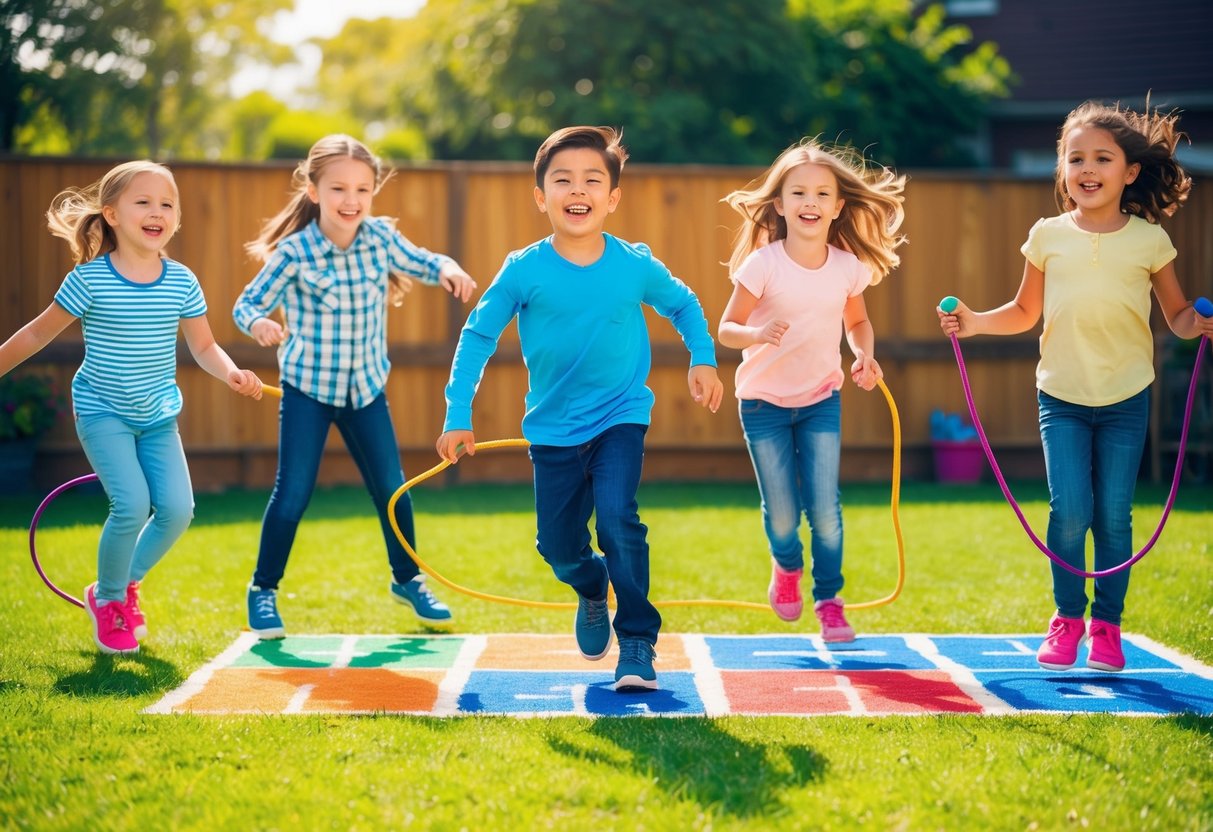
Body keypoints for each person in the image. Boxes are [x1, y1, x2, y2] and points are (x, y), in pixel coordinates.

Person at [436, 126, 724, 692]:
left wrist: (704, 358)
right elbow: (476, 336)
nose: (578, 189)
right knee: (559, 546)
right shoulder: (523, 269)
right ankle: (592, 587)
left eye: (593, 180)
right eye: (562, 179)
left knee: (619, 519)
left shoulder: (634, 264)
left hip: (621, 415)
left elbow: (684, 304)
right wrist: (457, 413)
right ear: (540, 196)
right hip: (553, 430)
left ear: (612, 198)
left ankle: (637, 640)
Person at [938, 101, 1213, 672]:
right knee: (1068, 512)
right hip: (1060, 396)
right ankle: (1067, 618)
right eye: (1075, 157)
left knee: (1113, 514)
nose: (1087, 168)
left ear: (1129, 172)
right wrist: (975, 319)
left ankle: (1107, 627)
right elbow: (1022, 311)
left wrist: (1199, 324)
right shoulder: (1047, 236)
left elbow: (1179, 314)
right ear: (1063, 170)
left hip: (1126, 398)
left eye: (1102, 158)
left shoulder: (1149, 241)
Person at [0, 161, 264, 655]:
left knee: (178, 510)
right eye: (143, 202)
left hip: (158, 416)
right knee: (131, 504)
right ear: (112, 215)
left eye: (167, 204)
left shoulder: (181, 282)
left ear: (176, 219)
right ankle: (113, 601)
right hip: (103, 412)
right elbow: (38, 332)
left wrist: (231, 372)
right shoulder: (90, 280)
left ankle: (115, 586)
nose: (156, 211)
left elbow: (205, 347)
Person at [233, 134, 477, 639]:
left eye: (363, 189)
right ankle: (263, 590)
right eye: (340, 188)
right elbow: (245, 304)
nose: (352, 200)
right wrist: (258, 324)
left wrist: (449, 268)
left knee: (393, 490)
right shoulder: (295, 252)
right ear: (314, 189)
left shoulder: (380, 239)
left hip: (366, 392)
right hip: (308, 392)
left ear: (373, 192)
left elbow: (425, 262)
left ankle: (408, 580)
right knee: (293, 493)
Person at [718, 139, 907, 642]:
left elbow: (858, 321)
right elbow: (726, 328)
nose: (810, 202)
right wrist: (756, 334)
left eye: (822, 193)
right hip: (762, 404)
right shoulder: (763, 264)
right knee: (782, 512)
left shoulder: (847, 267)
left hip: (821, 399)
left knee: (825, 509)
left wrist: (864, 352)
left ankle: (829, 600)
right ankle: (786, 568)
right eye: (798, 192)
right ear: (779, 204)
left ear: (838, 205)